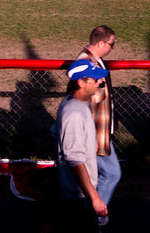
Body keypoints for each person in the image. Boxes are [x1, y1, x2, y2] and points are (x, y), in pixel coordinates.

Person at [56, 58, 110, 230]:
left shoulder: (76, 102)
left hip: (80, 194)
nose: (100, 82)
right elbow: (75, 160)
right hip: (78, 197)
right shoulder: (74, 114)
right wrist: (94, 197)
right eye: (95, 79)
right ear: (81, 82)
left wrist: (90, 140)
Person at [74, 26, 120, 222]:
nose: (112, 48)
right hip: (93, 137)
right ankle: (96, 219)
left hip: (100, 134)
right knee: (111, 174)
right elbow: (81, 101)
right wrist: (89, 135)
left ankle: (93, 217)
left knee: (103, 175)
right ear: (101, 43)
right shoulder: (85, 63)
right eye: (111, 44)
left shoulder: (95, 61)